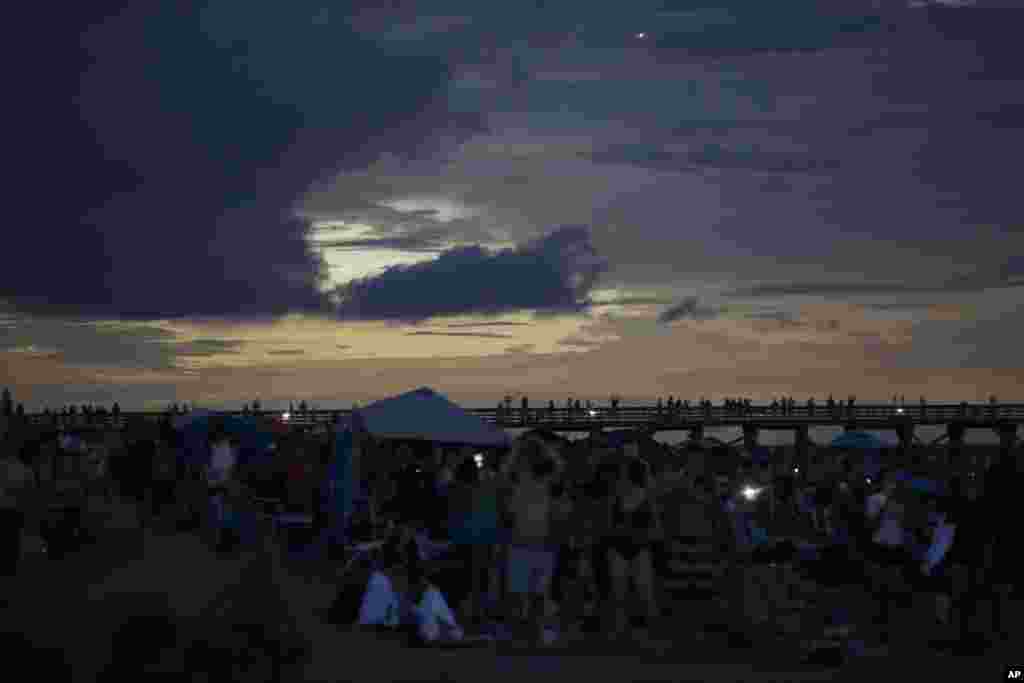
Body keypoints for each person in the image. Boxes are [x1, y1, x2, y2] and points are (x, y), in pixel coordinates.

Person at [599, 458, 662, 640]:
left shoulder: (646, 497)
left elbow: (656, 529)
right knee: (621, 594)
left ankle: (650, 631)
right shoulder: (617, 497)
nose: (621, 476)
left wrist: (639, 533)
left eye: (624, 472)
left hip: (638, 548)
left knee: (644, 594)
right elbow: (607, 525)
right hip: (620, 548)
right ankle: (621, 629)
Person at [503, 446, 559, 645]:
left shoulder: (536, 485)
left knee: (530, 595)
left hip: (532, 544)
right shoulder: (525, 485)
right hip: (530, 544)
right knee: (530, 595)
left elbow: (509, 515)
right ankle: (529, 633)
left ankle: (528, 633)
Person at [1, 445, 35, 606]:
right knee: (11, 544)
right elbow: (29, 494)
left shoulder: (2, 466)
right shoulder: (25, 470)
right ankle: (8, 577)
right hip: (13, 512)